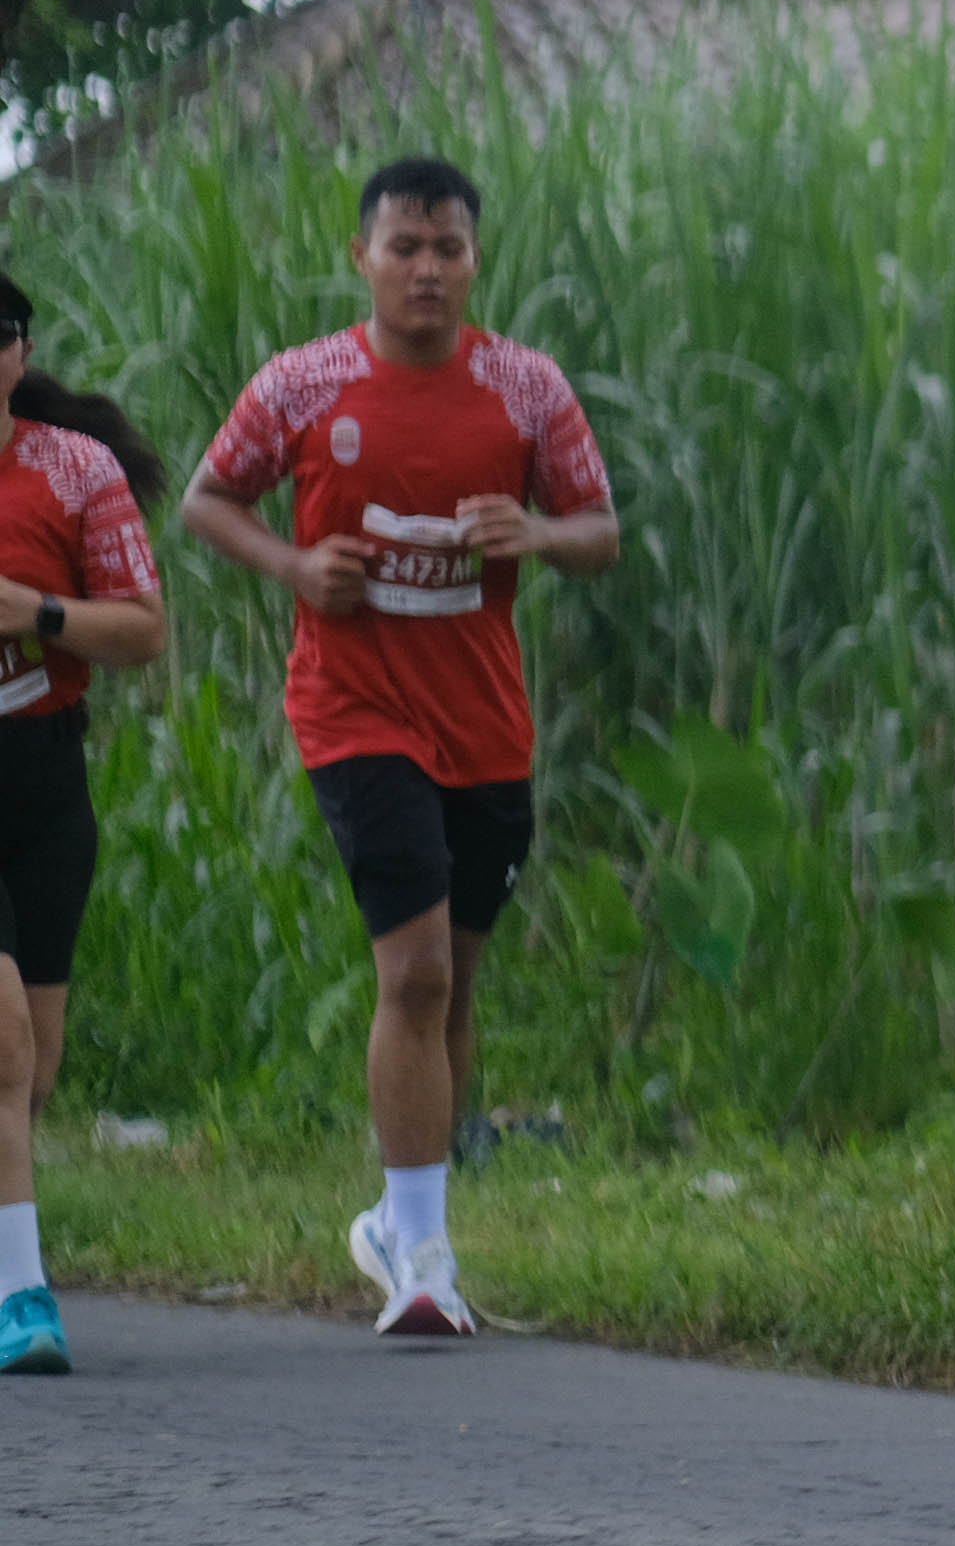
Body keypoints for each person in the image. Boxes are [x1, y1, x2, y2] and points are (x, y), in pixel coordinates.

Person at [181, 156, 619, 1340]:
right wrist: (294, 565)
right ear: (362, 257)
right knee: (415, 971)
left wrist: (534, 531)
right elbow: (208, 500)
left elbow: (600, 530)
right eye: (405, 248)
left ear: (475, 260)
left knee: (453, 983)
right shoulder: (303, 382)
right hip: (355, 711)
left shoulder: (526, 387)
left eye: (448, 249)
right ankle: (423, 1257)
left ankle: (402, 1216)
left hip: (485, 725)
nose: (427, 269)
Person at [0, 280, 173, 1375]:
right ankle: (22, 1294)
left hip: (43, 783)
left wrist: (40, 614)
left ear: (18, 355)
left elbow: (145, 632)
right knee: (1, 1041)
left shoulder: (75, 471)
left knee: (37, 1064)